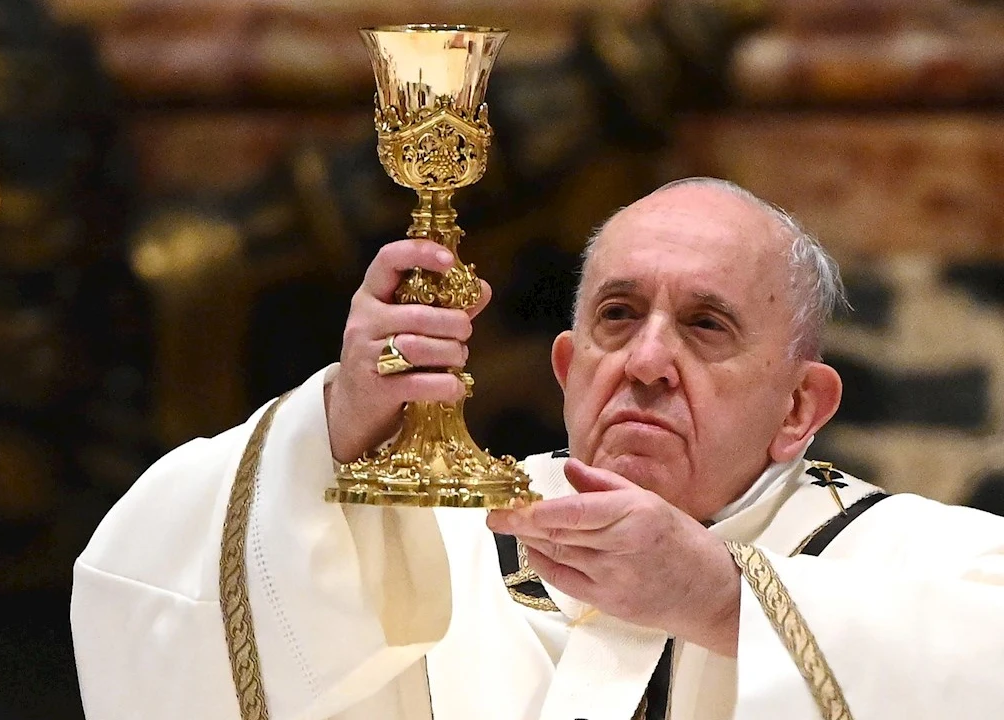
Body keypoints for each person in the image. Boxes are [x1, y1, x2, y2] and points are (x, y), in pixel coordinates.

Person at [70, 177, 1004, 720]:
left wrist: (722, 599)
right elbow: (151, 590)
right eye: (617, 315)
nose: (646, 362)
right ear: (566, 367)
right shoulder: (439, 540)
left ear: (801, 406)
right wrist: (340, 414)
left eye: (707, 326)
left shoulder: (917, 563)